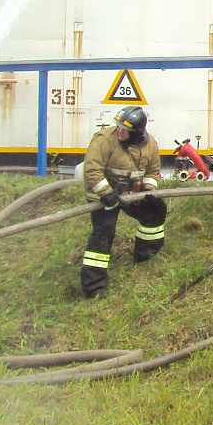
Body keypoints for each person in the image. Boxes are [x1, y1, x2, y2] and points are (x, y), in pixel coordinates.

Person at [80, 106, 165, 298]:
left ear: (137, 132)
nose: (119, 130)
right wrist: (107, 194)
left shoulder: (150, 144)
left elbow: (152, 172)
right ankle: (94, 285)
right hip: (103, 194)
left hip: (131, 193)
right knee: (104, 232)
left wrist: (148, 191)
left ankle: (146, 257)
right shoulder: (104, 140)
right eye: (118, 126)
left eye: (125, 129)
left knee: (156, 211)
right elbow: (92, 170)